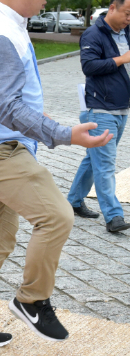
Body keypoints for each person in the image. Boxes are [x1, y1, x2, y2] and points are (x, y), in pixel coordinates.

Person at [0, 0, 112, 354]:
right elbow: (8, 106)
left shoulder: (0, 19)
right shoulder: (0, 31)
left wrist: (40, 118)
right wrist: (64, 133)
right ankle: (32, 301)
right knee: (56, 216)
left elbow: (4, 97)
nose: (46, 1)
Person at [67, 0, 130, 233]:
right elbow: (90, 66)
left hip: (121, 108)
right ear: (113, 7)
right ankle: (114, 217)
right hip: (100, 108)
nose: (128, 18)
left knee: (93, 158)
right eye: (127, 13)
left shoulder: (126, 32)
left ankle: (73, 200)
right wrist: (122, 59)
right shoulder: (93, 34)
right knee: (105, 164)